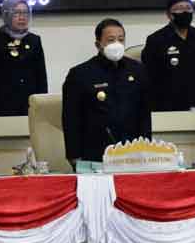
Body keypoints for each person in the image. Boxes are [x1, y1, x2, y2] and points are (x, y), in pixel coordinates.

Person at [62, 18, 152, 164]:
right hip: (95, 154)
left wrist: (147, 148)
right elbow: (71, 119)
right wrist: (74, 156)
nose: (117, 44)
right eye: (111, 40)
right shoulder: (80, 74)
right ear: (98, 44)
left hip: (133, 153)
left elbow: (144, 115)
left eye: (121, 39)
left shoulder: (138, 70)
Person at [142, 0, 195, 111]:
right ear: (169, 15)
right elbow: (150, 79)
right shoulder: (156, 40)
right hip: (166, 106)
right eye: (179, 9)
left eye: (188, 8)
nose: (185, 12)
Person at [0, 0, 48, 117]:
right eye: (17, 13)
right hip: (3, 104)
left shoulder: (34, 40)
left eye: (25, 13)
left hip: (30, 104)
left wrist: (43, 103)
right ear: (7, 15)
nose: (22, 17)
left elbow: (41, 76)